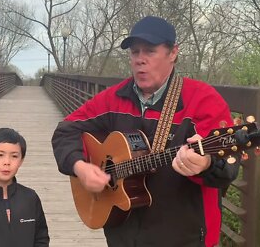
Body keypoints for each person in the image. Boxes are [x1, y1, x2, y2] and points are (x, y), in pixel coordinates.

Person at [51, 16, 240, 247]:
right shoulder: (113, 98)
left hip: (184, 237)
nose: (140, 60)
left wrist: (207, 164)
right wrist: (80, 168)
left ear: (173, 53)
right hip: (123, 234)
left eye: (149, 51)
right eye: (134, 52)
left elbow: (229, 166)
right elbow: (65, 131)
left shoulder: (203, 100)